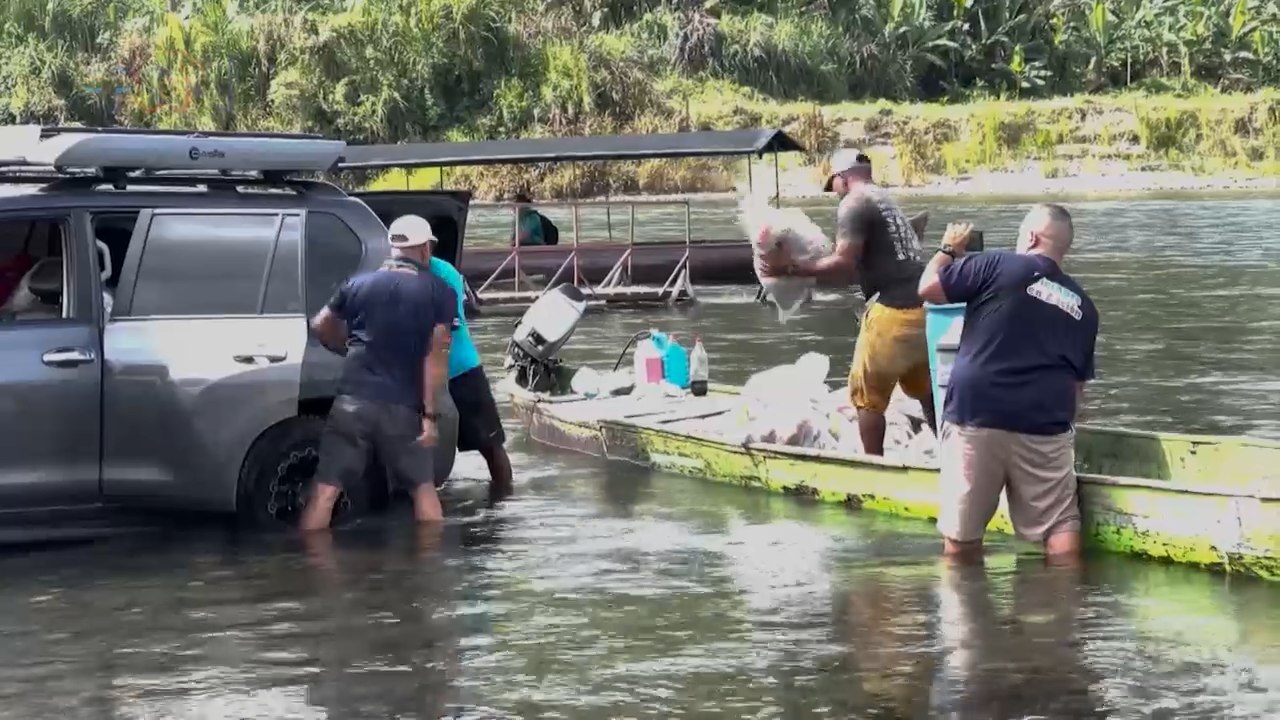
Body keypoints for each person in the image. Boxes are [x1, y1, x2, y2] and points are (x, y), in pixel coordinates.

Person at [915, 204, 1098, 562]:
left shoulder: (997, 264)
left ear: (1030, 237)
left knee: (962, 533)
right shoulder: (1084, 307)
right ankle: (1064, 605)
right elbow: (1077, 391)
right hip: (1045, 424)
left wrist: (948, 249)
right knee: (1060, 526)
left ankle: (967, 607)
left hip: (978, 414)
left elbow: (928, 288)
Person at [758, 148, 936, 455]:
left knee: (867, 396)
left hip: (890, 312)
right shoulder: (884, 200)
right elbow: (869, 265)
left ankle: (873, 469)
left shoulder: (853, 203)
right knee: (928, 393)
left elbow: (843, 265)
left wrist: (792, 269)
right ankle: (953, 454)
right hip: (923, 309)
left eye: (834, 186)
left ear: (841, 178)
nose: (835, 193)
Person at [301, 215, 457, 531]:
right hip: (402, 408)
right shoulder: (439, 291)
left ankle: (309, 568)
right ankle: (430, 573)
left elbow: (319, 325)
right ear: (426, 249)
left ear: (392, 248)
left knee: (325, 491)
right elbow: (435, 355)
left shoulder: (357, 284)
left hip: (352, 401)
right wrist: (429, 417)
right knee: (422, 490)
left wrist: (343, 343)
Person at [396, 214, 515, 504]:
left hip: (460, 370)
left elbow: (445, 331)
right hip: (417, 376)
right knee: (418, 453)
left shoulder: (444, 274)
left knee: (490, 446)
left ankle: (504, 504)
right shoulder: (389, 277)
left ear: (426, 250)